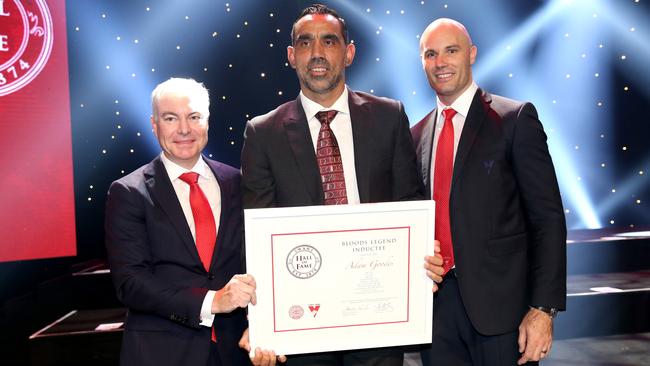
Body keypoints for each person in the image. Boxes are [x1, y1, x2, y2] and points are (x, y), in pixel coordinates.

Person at [239, 4, 424, 366]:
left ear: (349, 52)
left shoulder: (389, 117)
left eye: (330, 41)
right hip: (302, 323)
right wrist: (261, 319)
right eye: (305, 44)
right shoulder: (263, 133)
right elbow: (257, 233)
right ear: (292, 57)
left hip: (377, 315)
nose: (318, 53)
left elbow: (410, 203)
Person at [411, 18, 567, 365]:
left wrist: (543, 309)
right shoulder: (416, 134)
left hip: (503, 314)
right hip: (436, 312)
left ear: (472, 54)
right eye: (430, 54)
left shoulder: (514, 119)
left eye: (451, 50)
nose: (441, 62)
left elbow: (548, 218)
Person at [105, 77, 255, 366]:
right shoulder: (129, 192)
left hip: (236, 349)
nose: (184, 129)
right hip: (162, 352)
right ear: (154, 124)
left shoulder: (238, 182)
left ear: (208, 121)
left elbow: (256, 259)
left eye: (194, 117)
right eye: (171, 118)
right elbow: (131, 283)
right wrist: (210, 301)